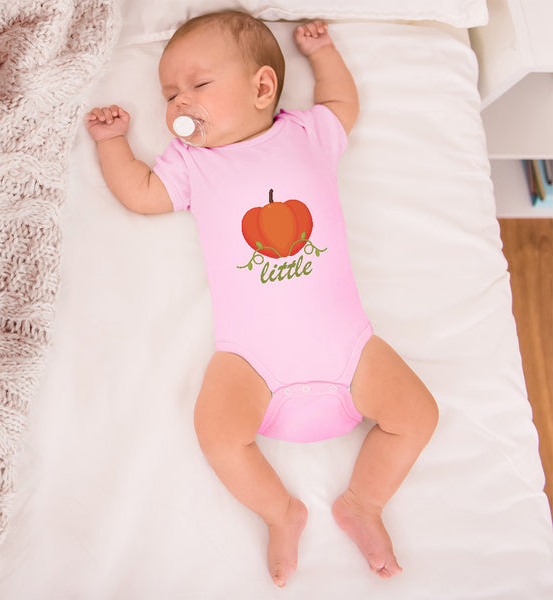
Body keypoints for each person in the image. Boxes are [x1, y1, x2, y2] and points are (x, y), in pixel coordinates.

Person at [85, 10, 438, 588]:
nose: (178, 103)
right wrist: (112, 144)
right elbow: (142, 194)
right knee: (217, 431)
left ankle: (364, 504)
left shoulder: (305, 133)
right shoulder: (191, 164)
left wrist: (322, 54)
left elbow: (343, 106)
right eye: (169, 93)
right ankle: (281, 512)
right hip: (252, 362)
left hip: (348, 352)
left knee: (418, 415)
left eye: (197, 85)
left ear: (263, 87)